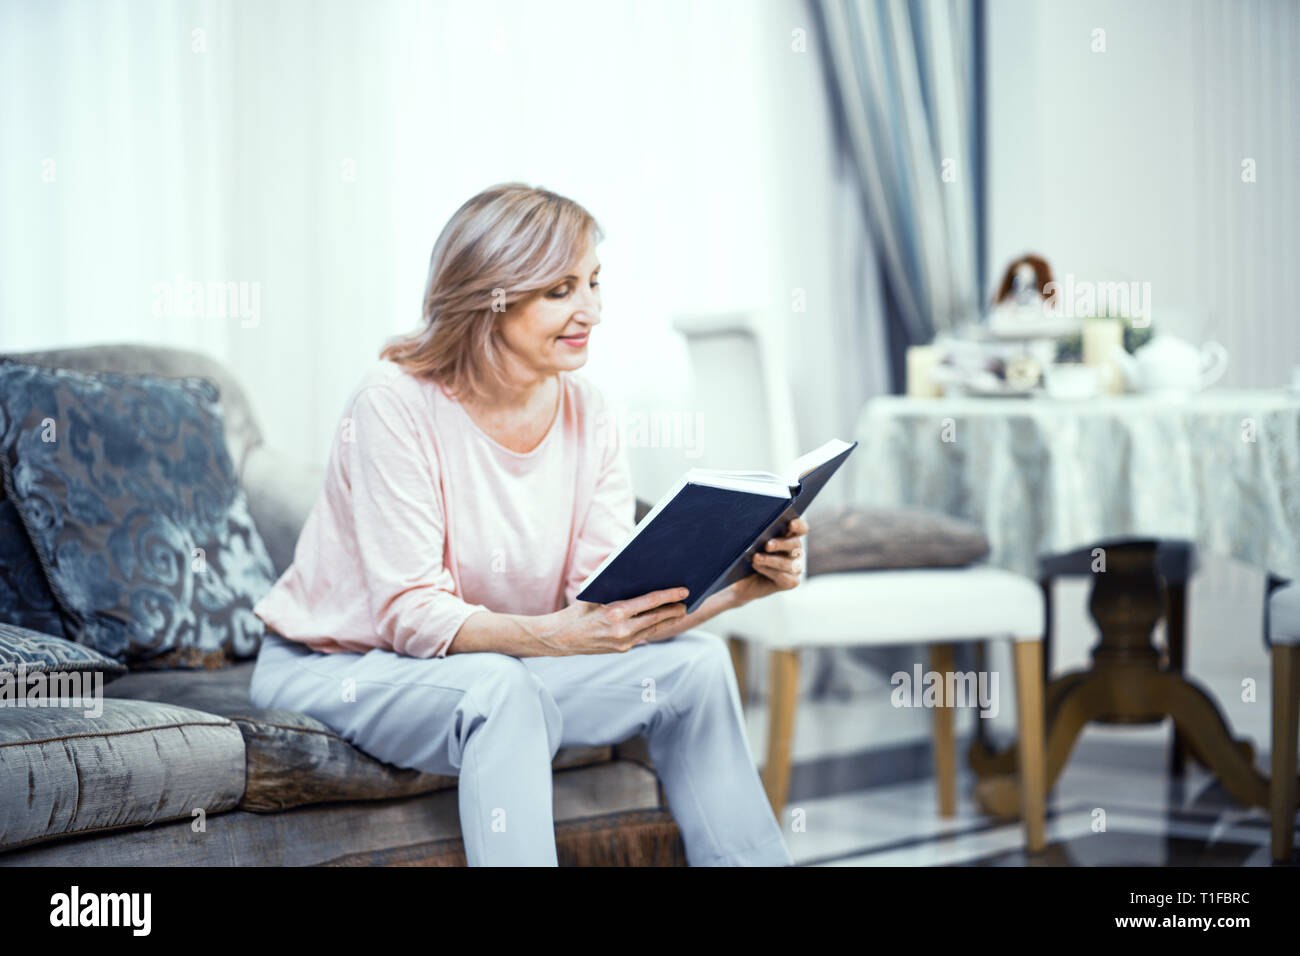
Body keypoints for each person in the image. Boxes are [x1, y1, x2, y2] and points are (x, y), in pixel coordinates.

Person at [250, 182, 807, 866]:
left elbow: (604, 607)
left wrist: (743, 587)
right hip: (338, 664)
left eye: (595, 283)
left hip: (494, 663)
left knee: (695, 669)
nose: (592, 311)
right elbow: (409, 614)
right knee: (499, 688)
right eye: (561, 290)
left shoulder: (587, 410)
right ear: (491, 295)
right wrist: (553, 636)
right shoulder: (391, 402)